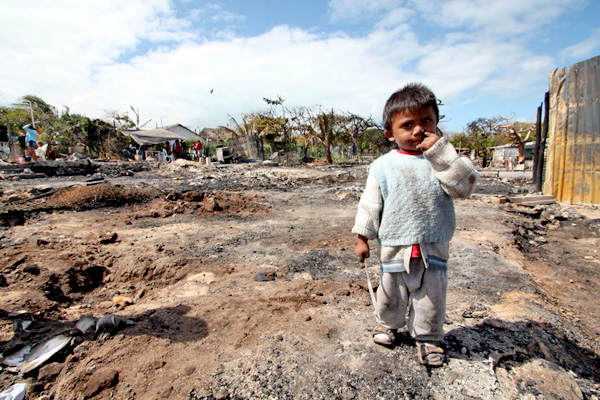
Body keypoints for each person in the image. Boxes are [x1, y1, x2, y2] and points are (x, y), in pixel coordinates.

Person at [352, 83, 478, 367]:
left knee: (431, 297)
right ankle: (388, 325)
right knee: (391, 292)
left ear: (436, 122)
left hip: (433, 243)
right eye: (407, 125)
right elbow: (370, 204)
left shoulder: (446, 161)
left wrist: (442, 153)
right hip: (395, 245)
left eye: (426, 121)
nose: (418, 130)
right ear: (390, 134)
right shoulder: (382, 167)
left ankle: (428, 338)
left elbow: (464, 187)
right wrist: (363, 238)